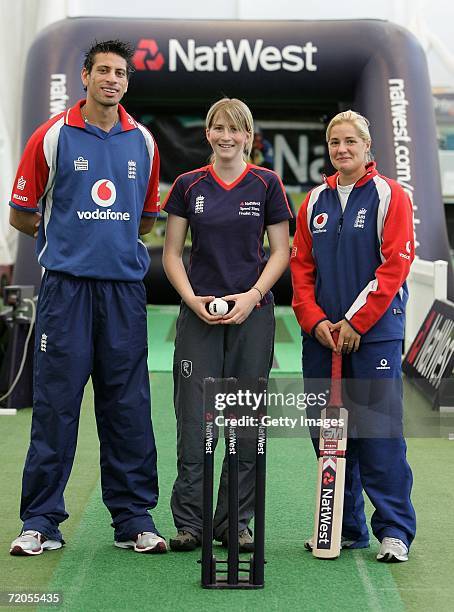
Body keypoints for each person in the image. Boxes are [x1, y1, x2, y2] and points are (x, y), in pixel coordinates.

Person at [8, 40, 167, 556]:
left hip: (123, 292)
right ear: (85, 75)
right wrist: (70, 239)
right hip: (65, 291)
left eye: (120, 73)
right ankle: (40, 521)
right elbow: (21, 214)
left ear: (128, 81)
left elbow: (146, 219)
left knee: (128, 406)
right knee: (56, 405)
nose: (112, 80)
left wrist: (107, 246)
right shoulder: (52, 136)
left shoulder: (142, 141)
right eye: (103, 70)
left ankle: (134, 520)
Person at [162, 98, 292, 552]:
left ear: (249, 136)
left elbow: (280, 252)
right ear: (208, 134)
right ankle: (191, 524)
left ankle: (233, 522)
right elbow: (172, 253)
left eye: (235, 130)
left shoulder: (267, 184)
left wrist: (253, 296)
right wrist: (191, 298)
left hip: (252, 316)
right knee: (196, 421)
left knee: (245, 421)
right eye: (218, 128)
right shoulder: (187, 184)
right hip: (199, 316)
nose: (226, 136)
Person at [290, 110, 416, 562]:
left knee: (379, 434)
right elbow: (300, 269)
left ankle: (395, 531)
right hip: (322, 339)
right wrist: (315, 321)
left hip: (374, 337)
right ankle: (344, 529)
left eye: (350, 141)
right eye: (334, 142)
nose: (341, 149)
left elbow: (395, 265)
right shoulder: (313, 203)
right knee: (329, 436)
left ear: (367, 146)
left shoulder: (389, 196)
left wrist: (356, 322)